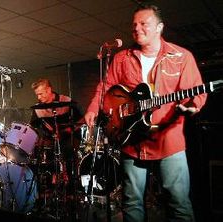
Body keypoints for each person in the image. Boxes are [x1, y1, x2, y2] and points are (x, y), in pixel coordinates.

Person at [84, 4, 207, 222]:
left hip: (169, 140)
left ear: (159, 27)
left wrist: (193, 106)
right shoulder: (121, 58)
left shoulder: (181, 56)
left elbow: (196, 91)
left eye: (144, 24)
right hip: (132, 141)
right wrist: (94, 107)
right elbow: (106, 87)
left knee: (179, 204)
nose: (137, 28)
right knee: (132, 203)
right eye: (134, 25)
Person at [30, 78, 83, 194]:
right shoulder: (38, 108)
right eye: (37, 95)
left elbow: (81, 120)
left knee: (69, 152)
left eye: (40, 94)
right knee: (44, 153)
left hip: (70, 135)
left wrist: (68, 130)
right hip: (51, 138)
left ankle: (72, 187)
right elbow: (34, 126)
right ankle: (50, 185)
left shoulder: (66, 101)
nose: (38, 97)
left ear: (49, 90)